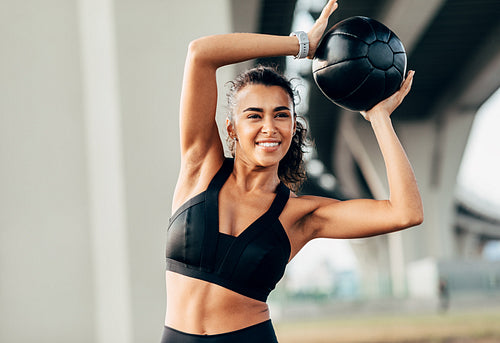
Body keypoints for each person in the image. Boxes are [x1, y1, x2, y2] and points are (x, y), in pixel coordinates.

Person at [162, 0, 423, 342]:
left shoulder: (301, 214)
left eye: (281, 115)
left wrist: (378, 118)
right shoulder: (200, 168)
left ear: (293, 126)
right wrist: (301, 45)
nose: (269, 127)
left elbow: (405, 212)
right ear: (231, 129)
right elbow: (200, 54)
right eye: (254, 115)